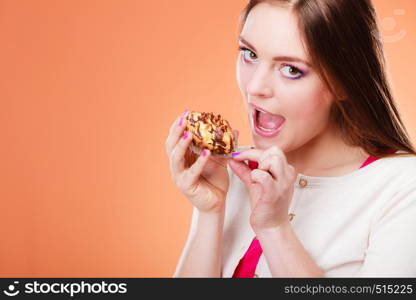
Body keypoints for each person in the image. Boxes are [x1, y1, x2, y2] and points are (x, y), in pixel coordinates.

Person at [165, 0, 416, 277]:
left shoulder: (403, 190)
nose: (255, 87)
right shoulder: (232, 173)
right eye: (249, 53)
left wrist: (275, 229)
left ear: (344, 81)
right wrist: (210, 212)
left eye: (291, 70)